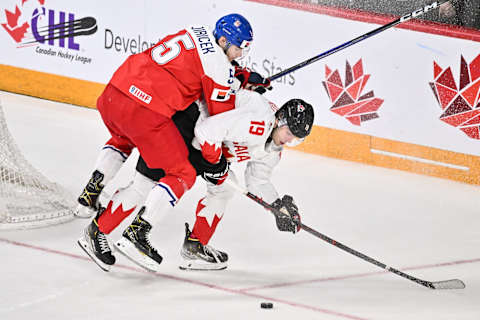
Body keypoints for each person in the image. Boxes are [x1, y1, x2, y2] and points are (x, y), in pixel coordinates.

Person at [76, 13, 270, 271]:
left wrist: (237, 76)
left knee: (125, 142)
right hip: (145, 111)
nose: (239, 55)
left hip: (116, 92)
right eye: (237, 49)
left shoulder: (196, 30)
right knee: (183, 173)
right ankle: (136, 234)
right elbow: (218, 115)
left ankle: (91, 209)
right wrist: (240, 87)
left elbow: (195, 69)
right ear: (223, 40)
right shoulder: (219, 67)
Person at [179, 91, 314, 270]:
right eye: (288, 133)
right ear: (279, 120)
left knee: (223, 189)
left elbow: (257, 181)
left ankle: (195, 245)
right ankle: (140, 229)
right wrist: (213, 159)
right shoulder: (258, 119)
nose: (288, 141)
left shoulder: (272, 151)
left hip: (208, 151)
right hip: (190, 128)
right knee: (155, 179)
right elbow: (211, 127)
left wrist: (277, 207)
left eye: (295, 139)